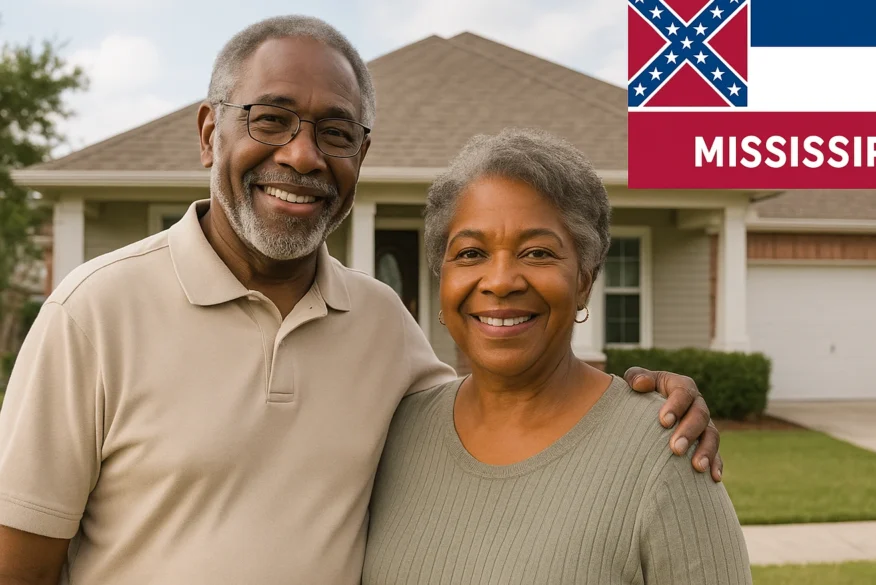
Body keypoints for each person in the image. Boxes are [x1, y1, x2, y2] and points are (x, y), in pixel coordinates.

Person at [0, 15, 724, 585]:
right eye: (270, 118)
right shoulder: (94, 313)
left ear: (361, 156)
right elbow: (18, 568)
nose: (303, 155)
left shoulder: (383, 325)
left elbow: (506, 401)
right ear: (208, 131)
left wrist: (649, 402)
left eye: (335, 132)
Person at [362, 128, 751, 584]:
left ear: (584, 278)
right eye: (471, 253)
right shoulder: (396, 432)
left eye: (538, 252)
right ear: (442, 277)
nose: (501, 280)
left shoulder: (666, 451)